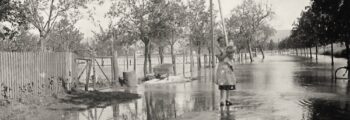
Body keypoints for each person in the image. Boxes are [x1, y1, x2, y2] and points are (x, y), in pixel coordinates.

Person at [215, 36, 237, 107]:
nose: (222, 42)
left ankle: (228, 99)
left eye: (223, 41)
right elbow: (220, 58)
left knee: (229, 84)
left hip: (228, 67)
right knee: (222, 84)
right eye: (220, 41)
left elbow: (231, 56)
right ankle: (222, 100)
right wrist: (226, 53)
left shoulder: (227, 48)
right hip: (222, 67)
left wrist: (231, 53)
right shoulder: (217, 49)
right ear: (218, 42)